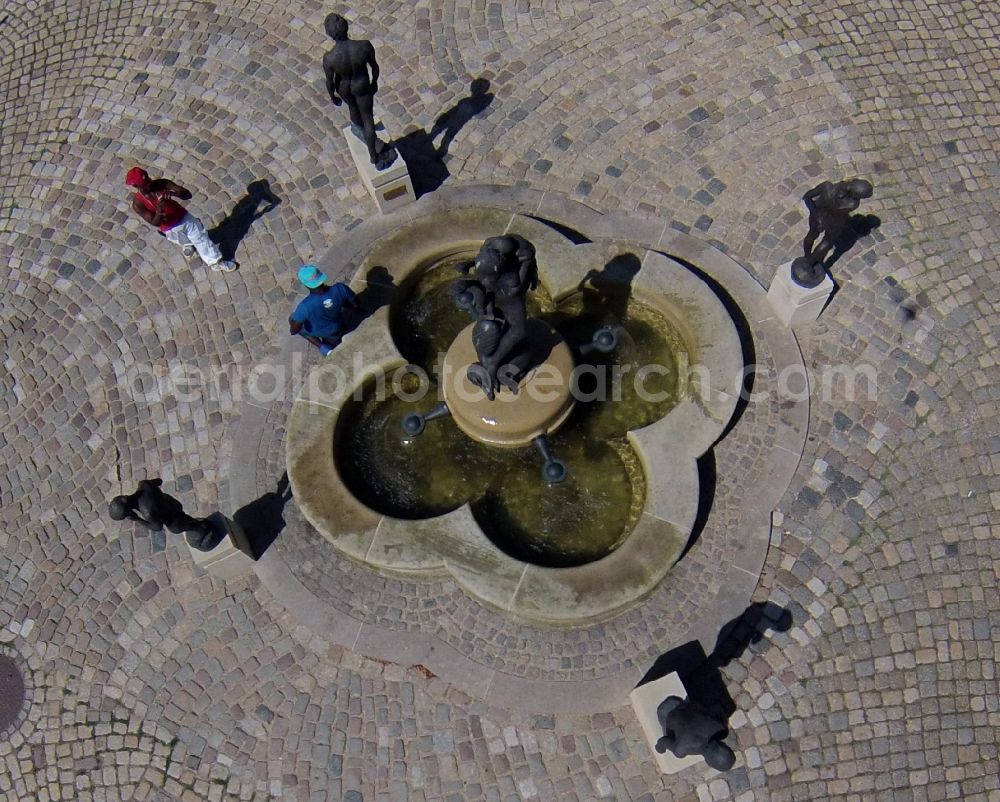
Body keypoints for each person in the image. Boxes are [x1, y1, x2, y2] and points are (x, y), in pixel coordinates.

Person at [126, 166, 238, 272]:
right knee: (182, 239)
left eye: (149, 180)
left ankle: (215, 262)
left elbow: (187, 195)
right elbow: (154, 223)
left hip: (183, 217)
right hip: (169, 228)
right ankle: (188, 244)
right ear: (136, 187)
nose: (149, 184)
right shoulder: (138, 204)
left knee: (201, 238)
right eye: (145, 184)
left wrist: (173, 193)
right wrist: (159, 211)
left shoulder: (161, 183)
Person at [322, 12, 397, 169]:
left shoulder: (329, 58)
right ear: (346, 27)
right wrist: (374, 82)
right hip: (361, 85)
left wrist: (332, 97)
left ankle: (360, 131)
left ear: (329, 34)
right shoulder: (363, 46)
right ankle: (374, 156)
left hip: (344, 88)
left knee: (353, 108)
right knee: (368, 119)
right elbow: (374, 67)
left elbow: (329, 82)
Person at [108, 478, 223, 551]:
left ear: (129, 513)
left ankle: (203, 531)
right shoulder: (143, 484)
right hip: (172, 503)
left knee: (190, 525)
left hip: (173, 521)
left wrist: (137, 519)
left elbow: (157, 527)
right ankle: (200, 525)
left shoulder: (148, 513)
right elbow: (159, 481)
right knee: (187, 518)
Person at [289, 264, 360, 355]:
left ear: (306, 285)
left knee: (292, 318)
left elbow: (294, 331)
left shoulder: (304, 307)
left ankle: (324, 348)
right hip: (338, 325)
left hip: (323, 332)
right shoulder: (340, 288)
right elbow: (356, 304)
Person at [801, 177, 874, 267]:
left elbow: (807, 197)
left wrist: (815, 213)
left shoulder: (826, 187)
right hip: (834, 224)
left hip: (818, 217)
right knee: (826, 243)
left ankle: (806, 256)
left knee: (811, 235)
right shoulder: (853, 204)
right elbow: (837, 213)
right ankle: (809, 264)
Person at [655, 695, 736, 772]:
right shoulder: (681, 750)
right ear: (708, 762)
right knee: (670, 733)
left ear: (723, 744)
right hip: (668, 709)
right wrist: (659, 748)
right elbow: (664, 741)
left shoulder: (721, 727)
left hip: (687, 704)